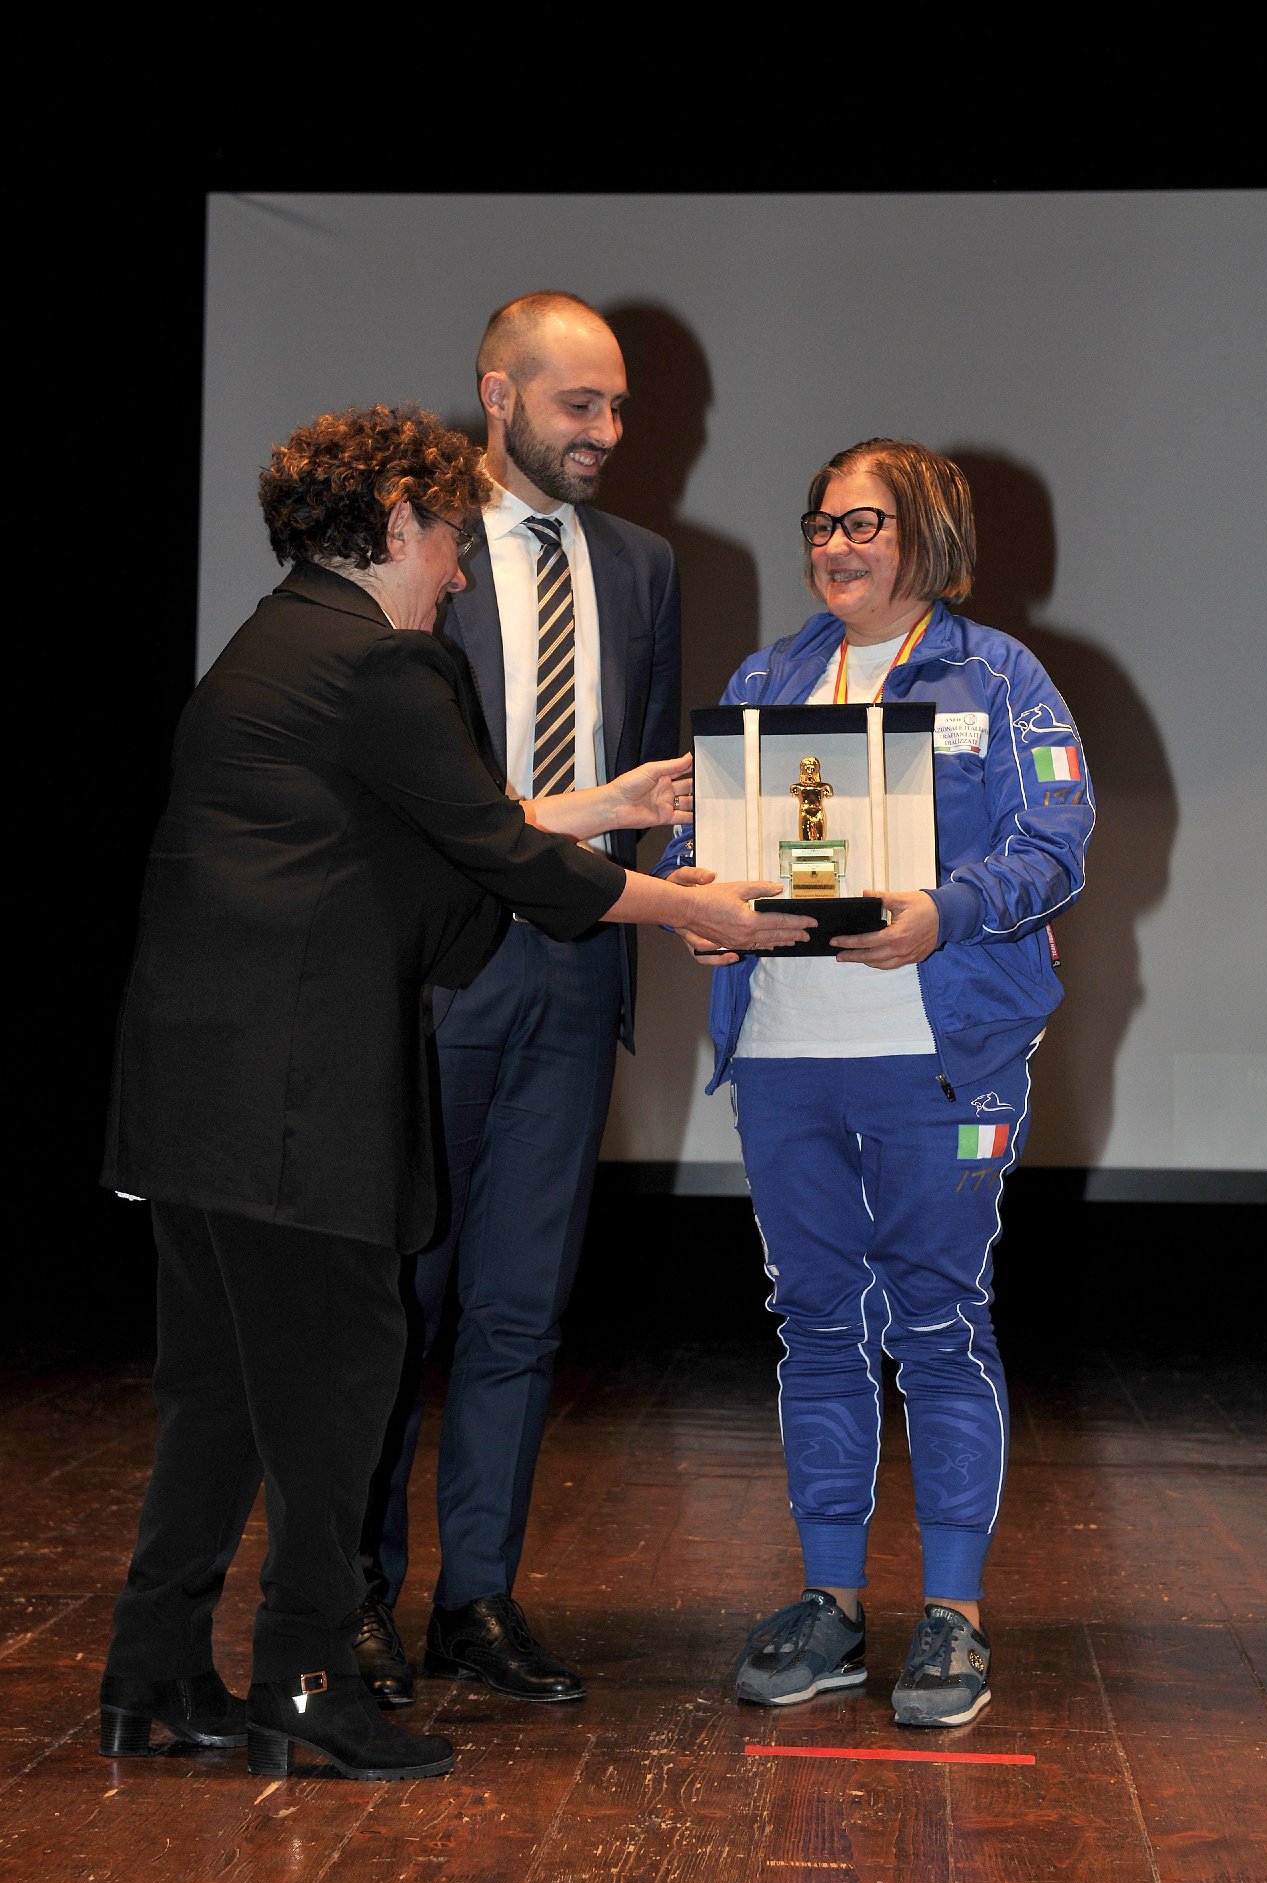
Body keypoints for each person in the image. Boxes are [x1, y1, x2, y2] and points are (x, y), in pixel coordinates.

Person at [98, 402, 810, 1784]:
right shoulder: (384, 663)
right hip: (298, 1099)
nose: (463, 571)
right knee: (338, 1385)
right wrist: (695, 906)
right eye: (449, 540)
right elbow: (499, 855)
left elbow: (432, 822)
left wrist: (596, 813)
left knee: (220, 1391)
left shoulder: (274, 643)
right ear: (395, 526)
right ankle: (306, 1679)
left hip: (192, 1093)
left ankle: (157, 1667)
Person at [655, 438, 1094, 1728]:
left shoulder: (1001, 677)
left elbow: (1058, 840)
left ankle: (954, 1612)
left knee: (940, 1323)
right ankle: (832, 1603)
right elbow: (700, 834)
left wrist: (945, 910)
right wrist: (693, 901)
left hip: (936, 1052)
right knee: (813, 1323)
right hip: (786, 1050)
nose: (833, 546)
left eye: (863, 524)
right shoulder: (767, 677)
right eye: (820, 523)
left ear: (927, 535)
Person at [354, 292, 685, 1710]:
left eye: (617, 409)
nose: (605, 432)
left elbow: (655, 784)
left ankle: (475, 1599)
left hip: (579, 974)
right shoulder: (419, 545)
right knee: (398, 1302)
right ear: (499, 396)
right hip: (439, 970)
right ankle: (352, 1597)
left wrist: (694, 897)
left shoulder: (648, 565)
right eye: (577, 406)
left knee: (520, 1311)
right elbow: (397, 781)